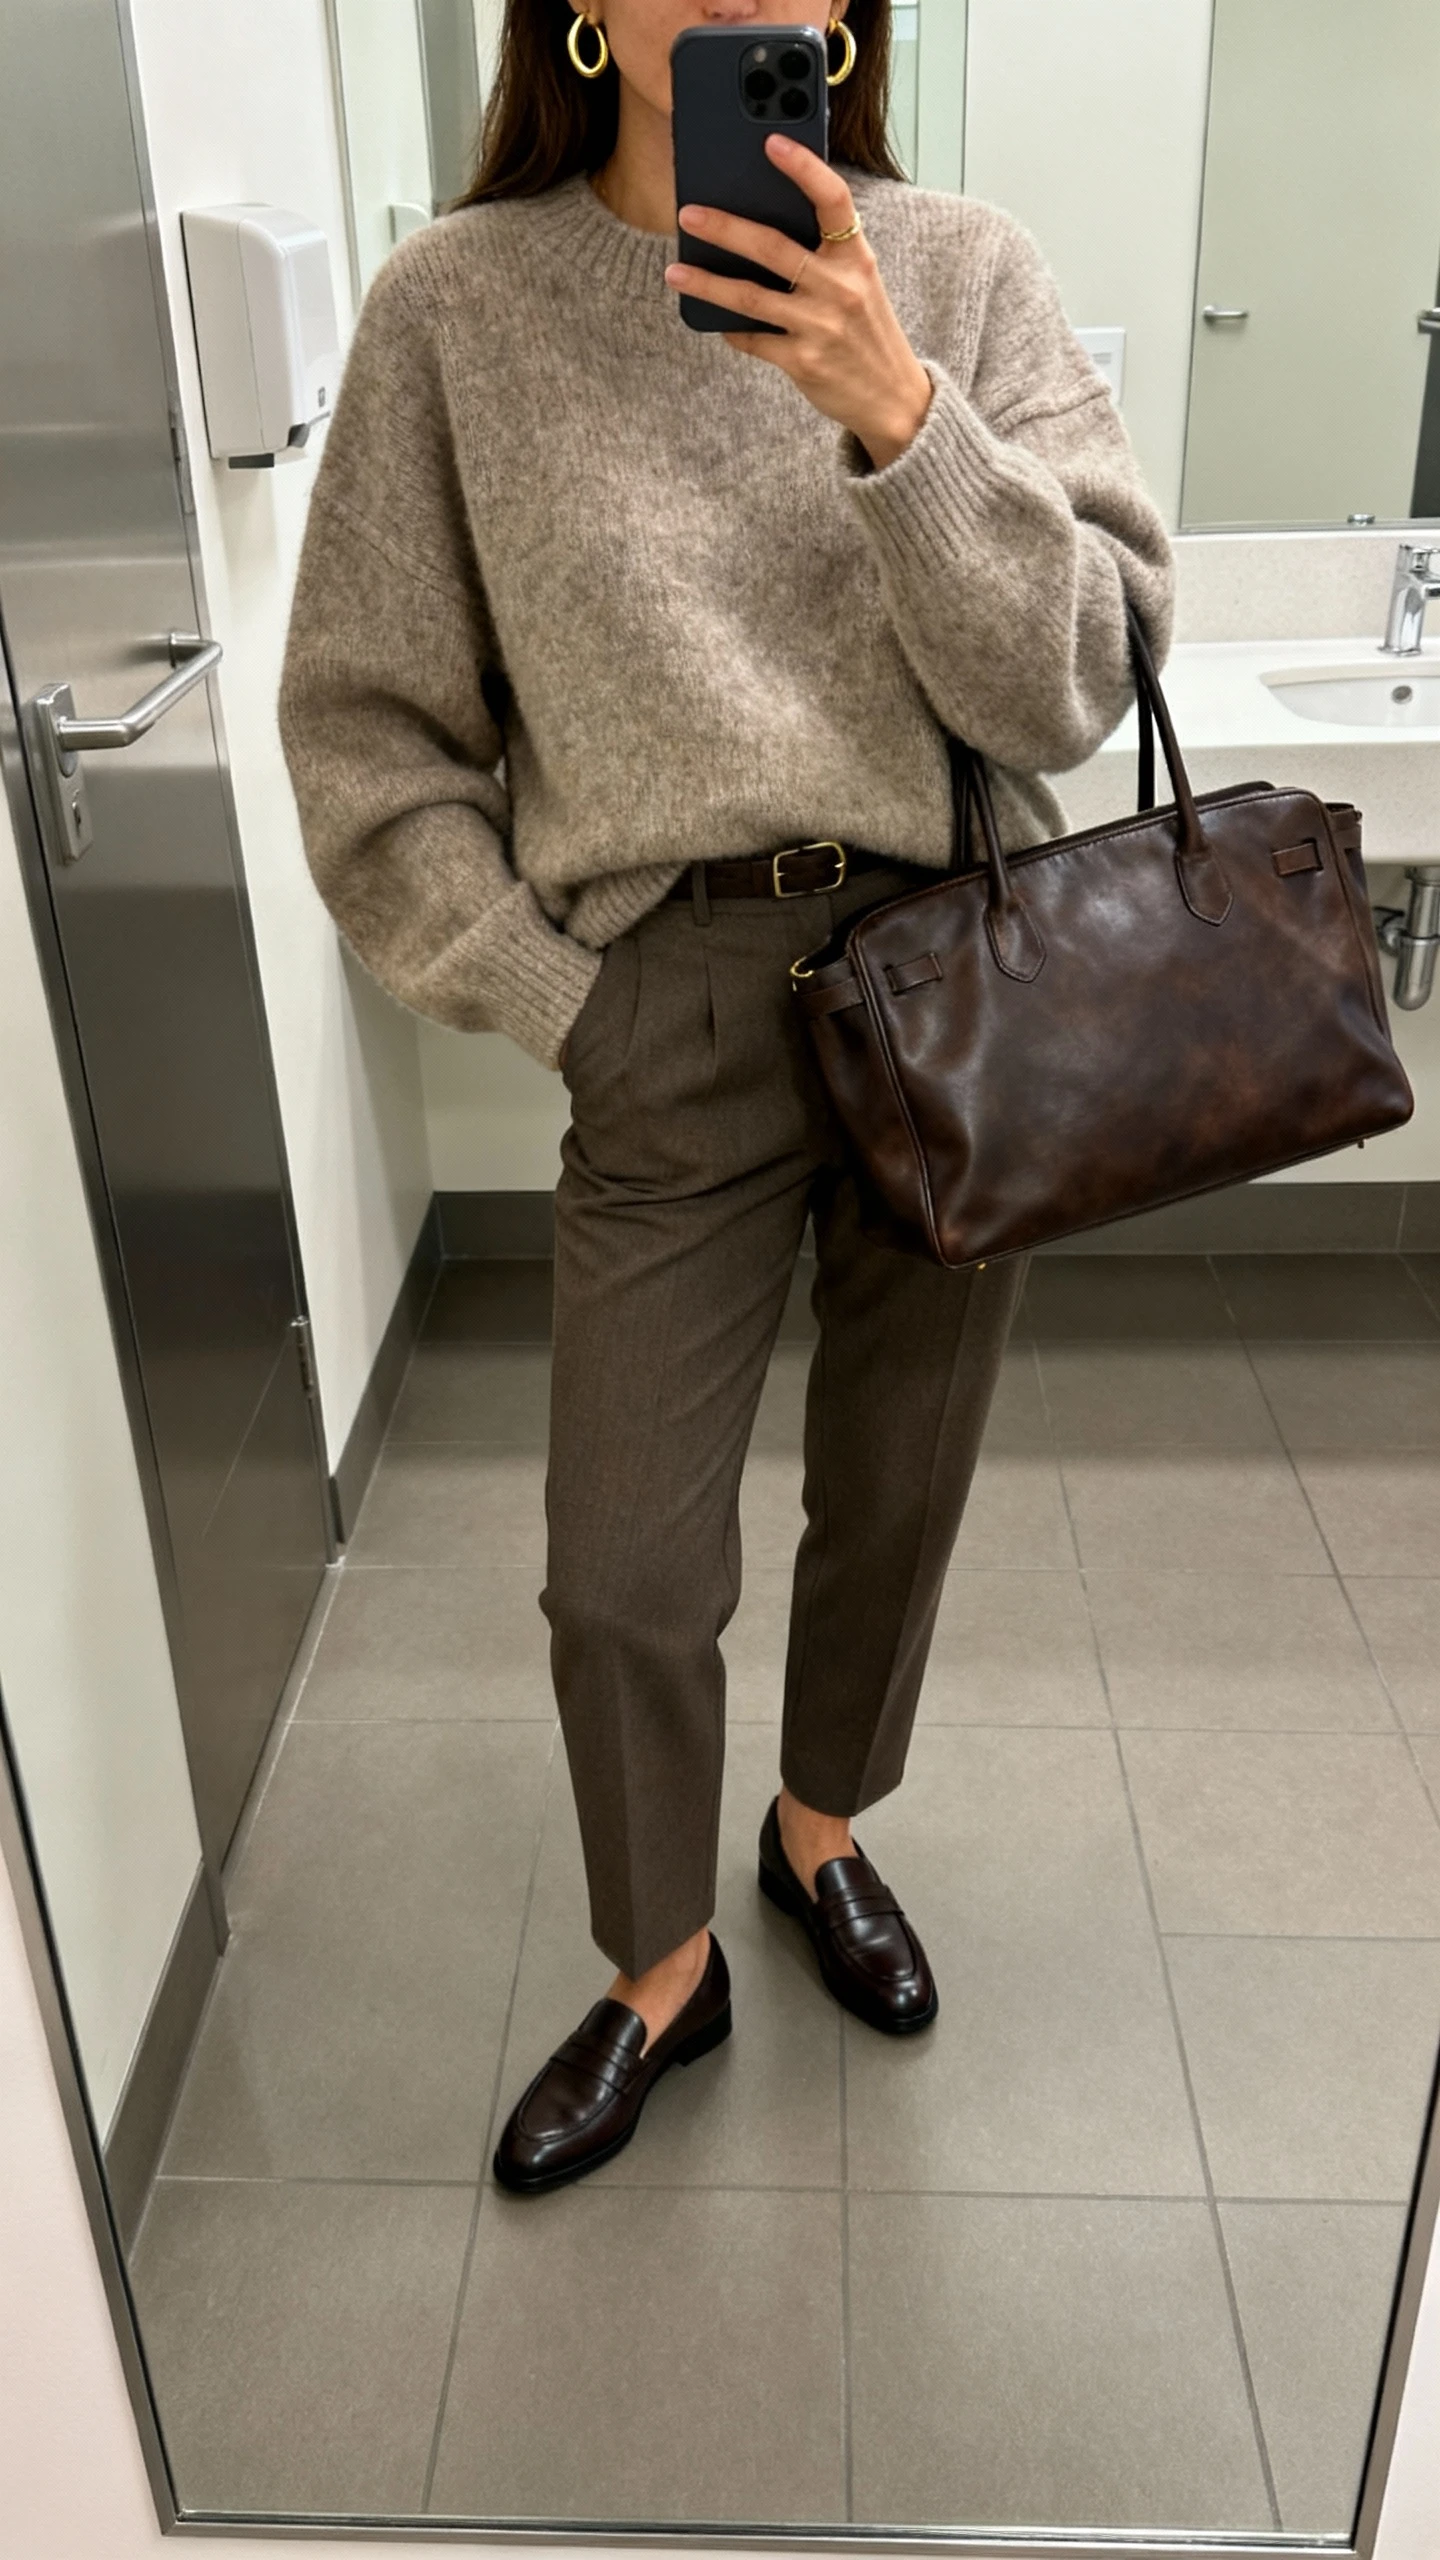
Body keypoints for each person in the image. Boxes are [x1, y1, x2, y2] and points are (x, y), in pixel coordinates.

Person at [277, 0, 1174, 2196]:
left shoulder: (960, 271)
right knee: (621, 1570)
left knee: (898, 1477)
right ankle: (656, 1962)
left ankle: (816, 1830)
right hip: (655, 997)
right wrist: (555, 998)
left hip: (947, 969)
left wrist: (897, 412)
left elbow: (1087, 668)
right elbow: (365, 733)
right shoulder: (452, 311)